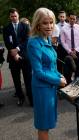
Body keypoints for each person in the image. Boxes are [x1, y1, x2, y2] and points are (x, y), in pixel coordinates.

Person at [27, 7, 67, 140]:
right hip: (42, 89)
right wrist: (57, 81)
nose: (49, 26)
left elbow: (51, 65)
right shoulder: (34, 43)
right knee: (43, 125)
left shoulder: (47, 39)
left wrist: (58, 74)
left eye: (51, 22)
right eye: (45, 23)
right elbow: (38, 72)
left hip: (50, 86)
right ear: (37, 24)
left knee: (48, 123)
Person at [3, 8, 32, 106]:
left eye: (15, 16)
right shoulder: (6, 28)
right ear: (9, 17)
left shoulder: (25, 26)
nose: (14, 18)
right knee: (16, 80)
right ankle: (20, 97)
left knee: (28, 79)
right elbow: (7, 43)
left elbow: (27, 40)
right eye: (12, 16)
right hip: (12, 58)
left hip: (25, 57)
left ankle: (31, 98)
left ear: (18, 15)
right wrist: (14, 54)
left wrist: (18, 49)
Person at [60, 12, 79, 83]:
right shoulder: (63, 29)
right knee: (67, 70)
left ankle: (78, 83)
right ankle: (68, 84)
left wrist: (76, 50)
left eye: (74, 19)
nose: (72, 20)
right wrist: (70, 51)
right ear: (68, 18)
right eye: (71, 19)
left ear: (76, 19)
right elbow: (63, 41)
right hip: (68, 52)